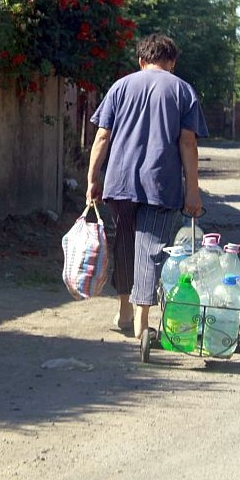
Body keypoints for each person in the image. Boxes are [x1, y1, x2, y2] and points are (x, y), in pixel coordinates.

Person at [85, 33, 208, 340]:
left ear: (141, 61)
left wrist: (93, 178)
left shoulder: (120, 87)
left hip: (119, 182)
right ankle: (142, 321)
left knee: (125, 243)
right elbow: (188, 142)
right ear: (172, 62)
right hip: (160, 184)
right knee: (150, 249)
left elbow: (102, 136)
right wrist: (192, 190)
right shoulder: (182, 90)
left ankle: (124, 310)